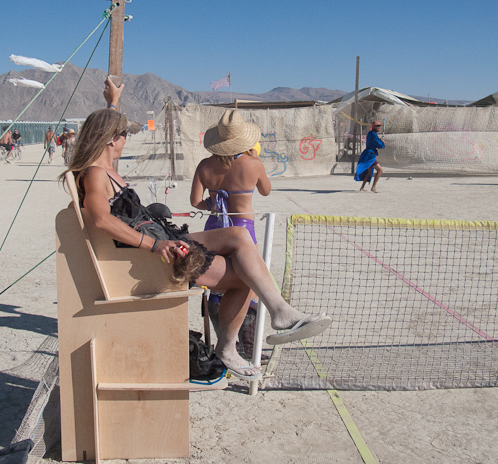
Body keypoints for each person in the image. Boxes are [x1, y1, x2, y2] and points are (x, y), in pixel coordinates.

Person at [61, 78, 331, 382]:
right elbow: (100, 219)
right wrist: (153, 245)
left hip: (160, 236)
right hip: (153, 252)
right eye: (123, 135)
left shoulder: (105, 168)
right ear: (112, 139)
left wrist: (113, 103)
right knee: (244, 278)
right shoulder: (97, 174)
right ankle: (229, 347)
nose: (126, 141)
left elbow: (107, 137)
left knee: (240, 236)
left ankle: (280, 310)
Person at [190, 109, 271, 360]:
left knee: (217, 284)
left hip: (215, 229)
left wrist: (211, 204)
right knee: (248, 285)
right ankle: (246, 347)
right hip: (243, 229)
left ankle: (224, 343)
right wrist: (254, 158)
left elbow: (195, 201)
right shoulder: (253, 164)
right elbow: (266, 191)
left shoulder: (205, 166)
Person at [354, 120, 385, 192]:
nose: (378, 128)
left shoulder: (372, 134)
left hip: (369, 154)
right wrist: (382, 142)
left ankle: (362, 187)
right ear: (373, 126)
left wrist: (380, 141)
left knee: (369, 172)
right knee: (380, 170)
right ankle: (373, 187)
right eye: (377, 126)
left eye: (379, 126)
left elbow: (375, 142)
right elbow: (379, 145)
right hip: (370, 155)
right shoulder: (373, 134)